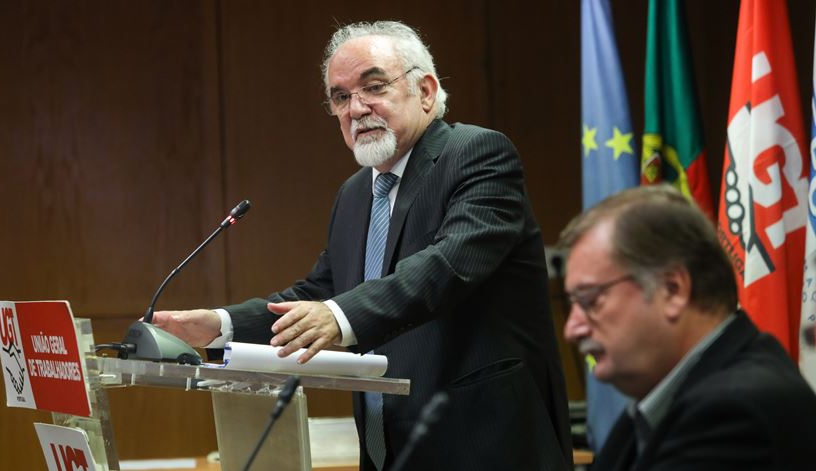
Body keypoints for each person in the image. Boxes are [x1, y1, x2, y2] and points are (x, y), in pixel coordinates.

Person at [152, 20, 572, 471]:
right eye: (340, 96)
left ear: (426, 91)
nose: (356, 108)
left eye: (373, 87)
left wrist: (338, 316)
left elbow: (447, 266)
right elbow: (321, 293)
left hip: (484, 445)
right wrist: (221, 325)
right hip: (391, 448)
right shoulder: (355, 194)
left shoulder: (477, 154)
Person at [561, 185, 816, 471]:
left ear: (673, 290)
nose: (572, 330)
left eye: (590, 300)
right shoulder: (660, 402)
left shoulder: (733, 412)